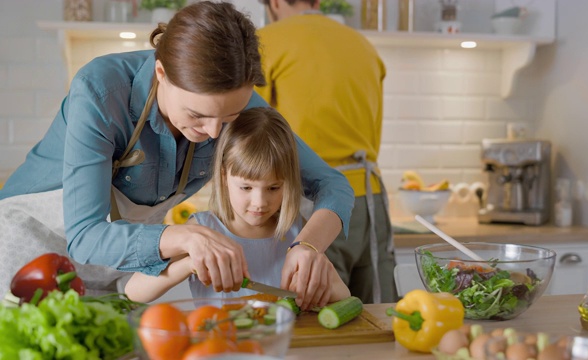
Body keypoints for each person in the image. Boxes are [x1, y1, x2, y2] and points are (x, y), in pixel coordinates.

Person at [0, 1, 354, 310]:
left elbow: (333, 185)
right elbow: (86, 236)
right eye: (197, 116)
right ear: (161, 74)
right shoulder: (101, 90)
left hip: (119, 271)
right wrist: (185, 237)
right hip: (30, 252)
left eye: (229, 118)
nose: (215, 133)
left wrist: (308, 246)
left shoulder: (239, 104)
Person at [124, 107, 350, 303]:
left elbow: (345, 296)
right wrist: (188, 265)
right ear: (223, 177)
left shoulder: (297, 231)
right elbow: (134, 291)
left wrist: (323, 272)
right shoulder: (203, 230)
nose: (260, 203)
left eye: (273, 188)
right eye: (246, 188)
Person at [256, 0, 396, 303]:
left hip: (313, 206)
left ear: (275, 3)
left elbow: (250, 132)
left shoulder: (266, 42)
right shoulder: (362, 44)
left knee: (317, 317)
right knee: (381, 321)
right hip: (370, 202)